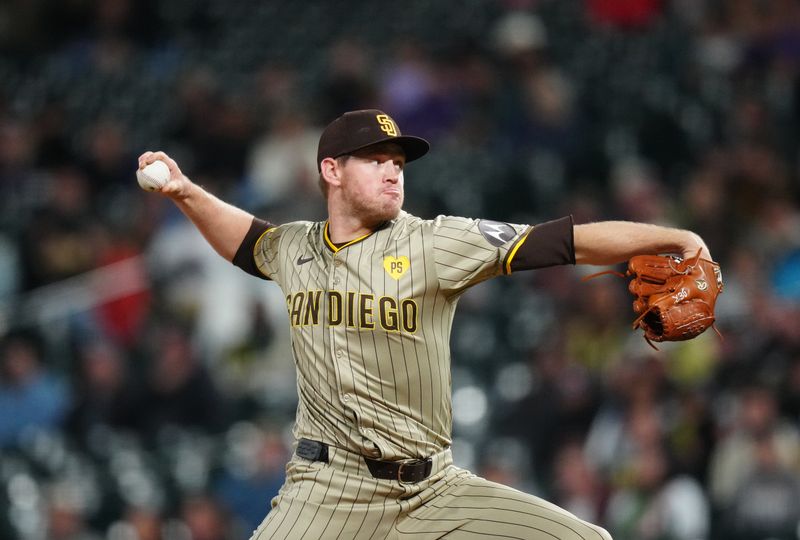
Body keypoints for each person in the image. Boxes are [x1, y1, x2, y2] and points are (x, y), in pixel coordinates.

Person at [138, 109, 715, 539]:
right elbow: (244, 239)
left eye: (398, 163)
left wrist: (676, 238)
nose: (393, 173)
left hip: (433, 490)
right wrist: (186, 192)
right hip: (325, 492)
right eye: (376, 161)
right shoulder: (294, 248)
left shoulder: (437, 242)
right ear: (331, 170)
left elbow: (565, 241)